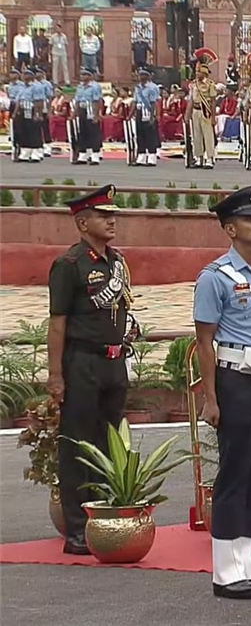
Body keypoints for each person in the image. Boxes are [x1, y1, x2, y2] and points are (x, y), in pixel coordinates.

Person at [193, 186, 251, 600]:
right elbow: (204, 342)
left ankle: (248, 560)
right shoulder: (215, 278)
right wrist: (211, 398)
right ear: (230, 229)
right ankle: (224, 570)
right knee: (234, 472)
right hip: (236, 378)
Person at [48, 185, 134, 555]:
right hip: (82, 362)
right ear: (83, 223)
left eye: (113, 215)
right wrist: (55, 375)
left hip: (114, 363)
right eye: (103, 215)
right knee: (78, 445)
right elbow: (57, 324)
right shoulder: (69, 265)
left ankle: (104, 515)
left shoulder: (116, 261)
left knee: (109, 441)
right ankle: (77, 529)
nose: (112, 220)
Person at [134, 69, 161, 166]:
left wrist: (153, 116)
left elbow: (154, 103)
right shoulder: (137, 87)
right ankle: (141, 155)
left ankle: (152, 156)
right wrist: (130, 115)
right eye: (140, 75)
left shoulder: (152, 87)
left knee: (150, 135)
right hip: (139, 111)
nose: (140, 77)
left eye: (143, 75)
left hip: (148, 111)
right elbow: (135, 101)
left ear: (148, 76)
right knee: (140, 134)